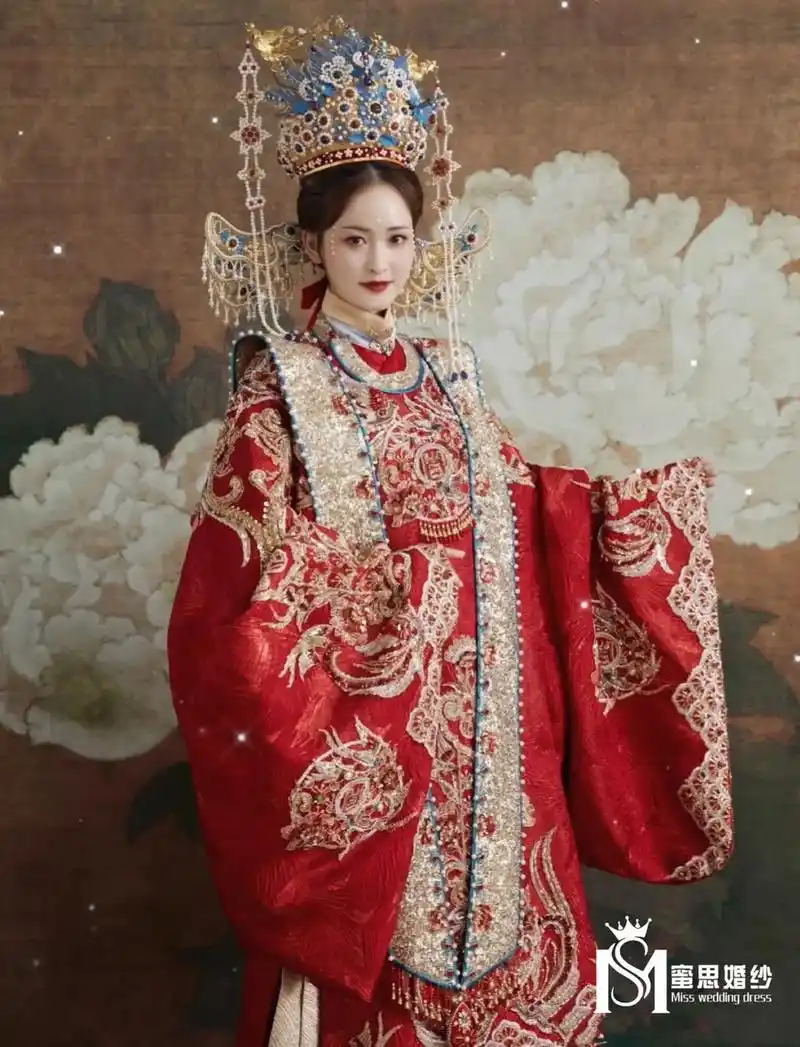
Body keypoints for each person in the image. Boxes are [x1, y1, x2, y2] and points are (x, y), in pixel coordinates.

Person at [168, 17, 733, 1047]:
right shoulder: (279, 394)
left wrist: (633, 517)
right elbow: (231, 596)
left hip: (500, 754)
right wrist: (397, 612)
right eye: (354, 238)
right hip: (376, 758)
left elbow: (523, 516)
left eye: (397, 237)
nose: (378, 261)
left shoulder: (453, 380)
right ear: (313, 246)